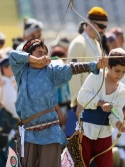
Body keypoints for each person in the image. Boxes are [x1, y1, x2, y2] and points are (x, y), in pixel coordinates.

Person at [9, 38, 106, 167]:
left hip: (50, 131)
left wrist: (95, 65)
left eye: (45, 53)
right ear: (29, 54)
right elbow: (13, 55)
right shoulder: (21, 71)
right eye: (39, 52)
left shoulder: (52, 71)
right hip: (28, 132)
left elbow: (72, 68)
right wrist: (36, 60)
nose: (43, 56)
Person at [77, 48, 125, 167]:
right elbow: (82, 96)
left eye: (123, 71)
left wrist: (119, 124)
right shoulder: (96, 76)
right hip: (86, 130)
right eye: (117, 70)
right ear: (109, 66)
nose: (120, 75)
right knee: (81, 164)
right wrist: (100, 103)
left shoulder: (122, 90)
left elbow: (116, 112)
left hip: (105, 134)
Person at [66, 6, 107, 137]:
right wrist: (79, 102)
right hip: (83, 106)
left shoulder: (96, 43)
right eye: (101, 26)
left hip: (96, 103)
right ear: (89, 23)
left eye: (105, 27)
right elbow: (73, 74)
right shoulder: (78, 43)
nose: (103, 30)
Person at [0, 57, 19, 167]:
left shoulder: (6, 82)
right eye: (11, 67)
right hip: (6, 124)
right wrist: (21, 117)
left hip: (2, 123)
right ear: (5, 68)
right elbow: (10, 106)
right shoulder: (6, 84)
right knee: (7, 155)